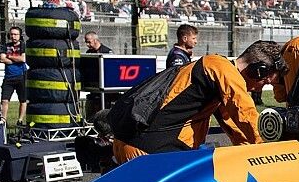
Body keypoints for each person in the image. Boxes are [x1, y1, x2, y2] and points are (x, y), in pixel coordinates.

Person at [113, 40, 288, 164]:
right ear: (258, 70)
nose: (259, 89)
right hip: (151, 153)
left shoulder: (216, 73)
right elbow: (245, 114)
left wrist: (251, 153)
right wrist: (270, 153)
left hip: (138, 145)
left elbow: (233, 125)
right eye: (265, 81)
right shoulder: (223, 70)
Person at [0, 26, 27, 122]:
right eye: (12, 34)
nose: (13, 36)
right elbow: (2, 59)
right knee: (4, 100)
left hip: (21, 76)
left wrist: (9, 56)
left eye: (15, 34)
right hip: (9, 77)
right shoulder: (5, 46)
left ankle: (20, 120)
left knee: (23, 100)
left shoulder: (23, 45)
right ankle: (3, 120)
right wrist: (16, 59)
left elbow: (23, 59)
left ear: (20, 35)